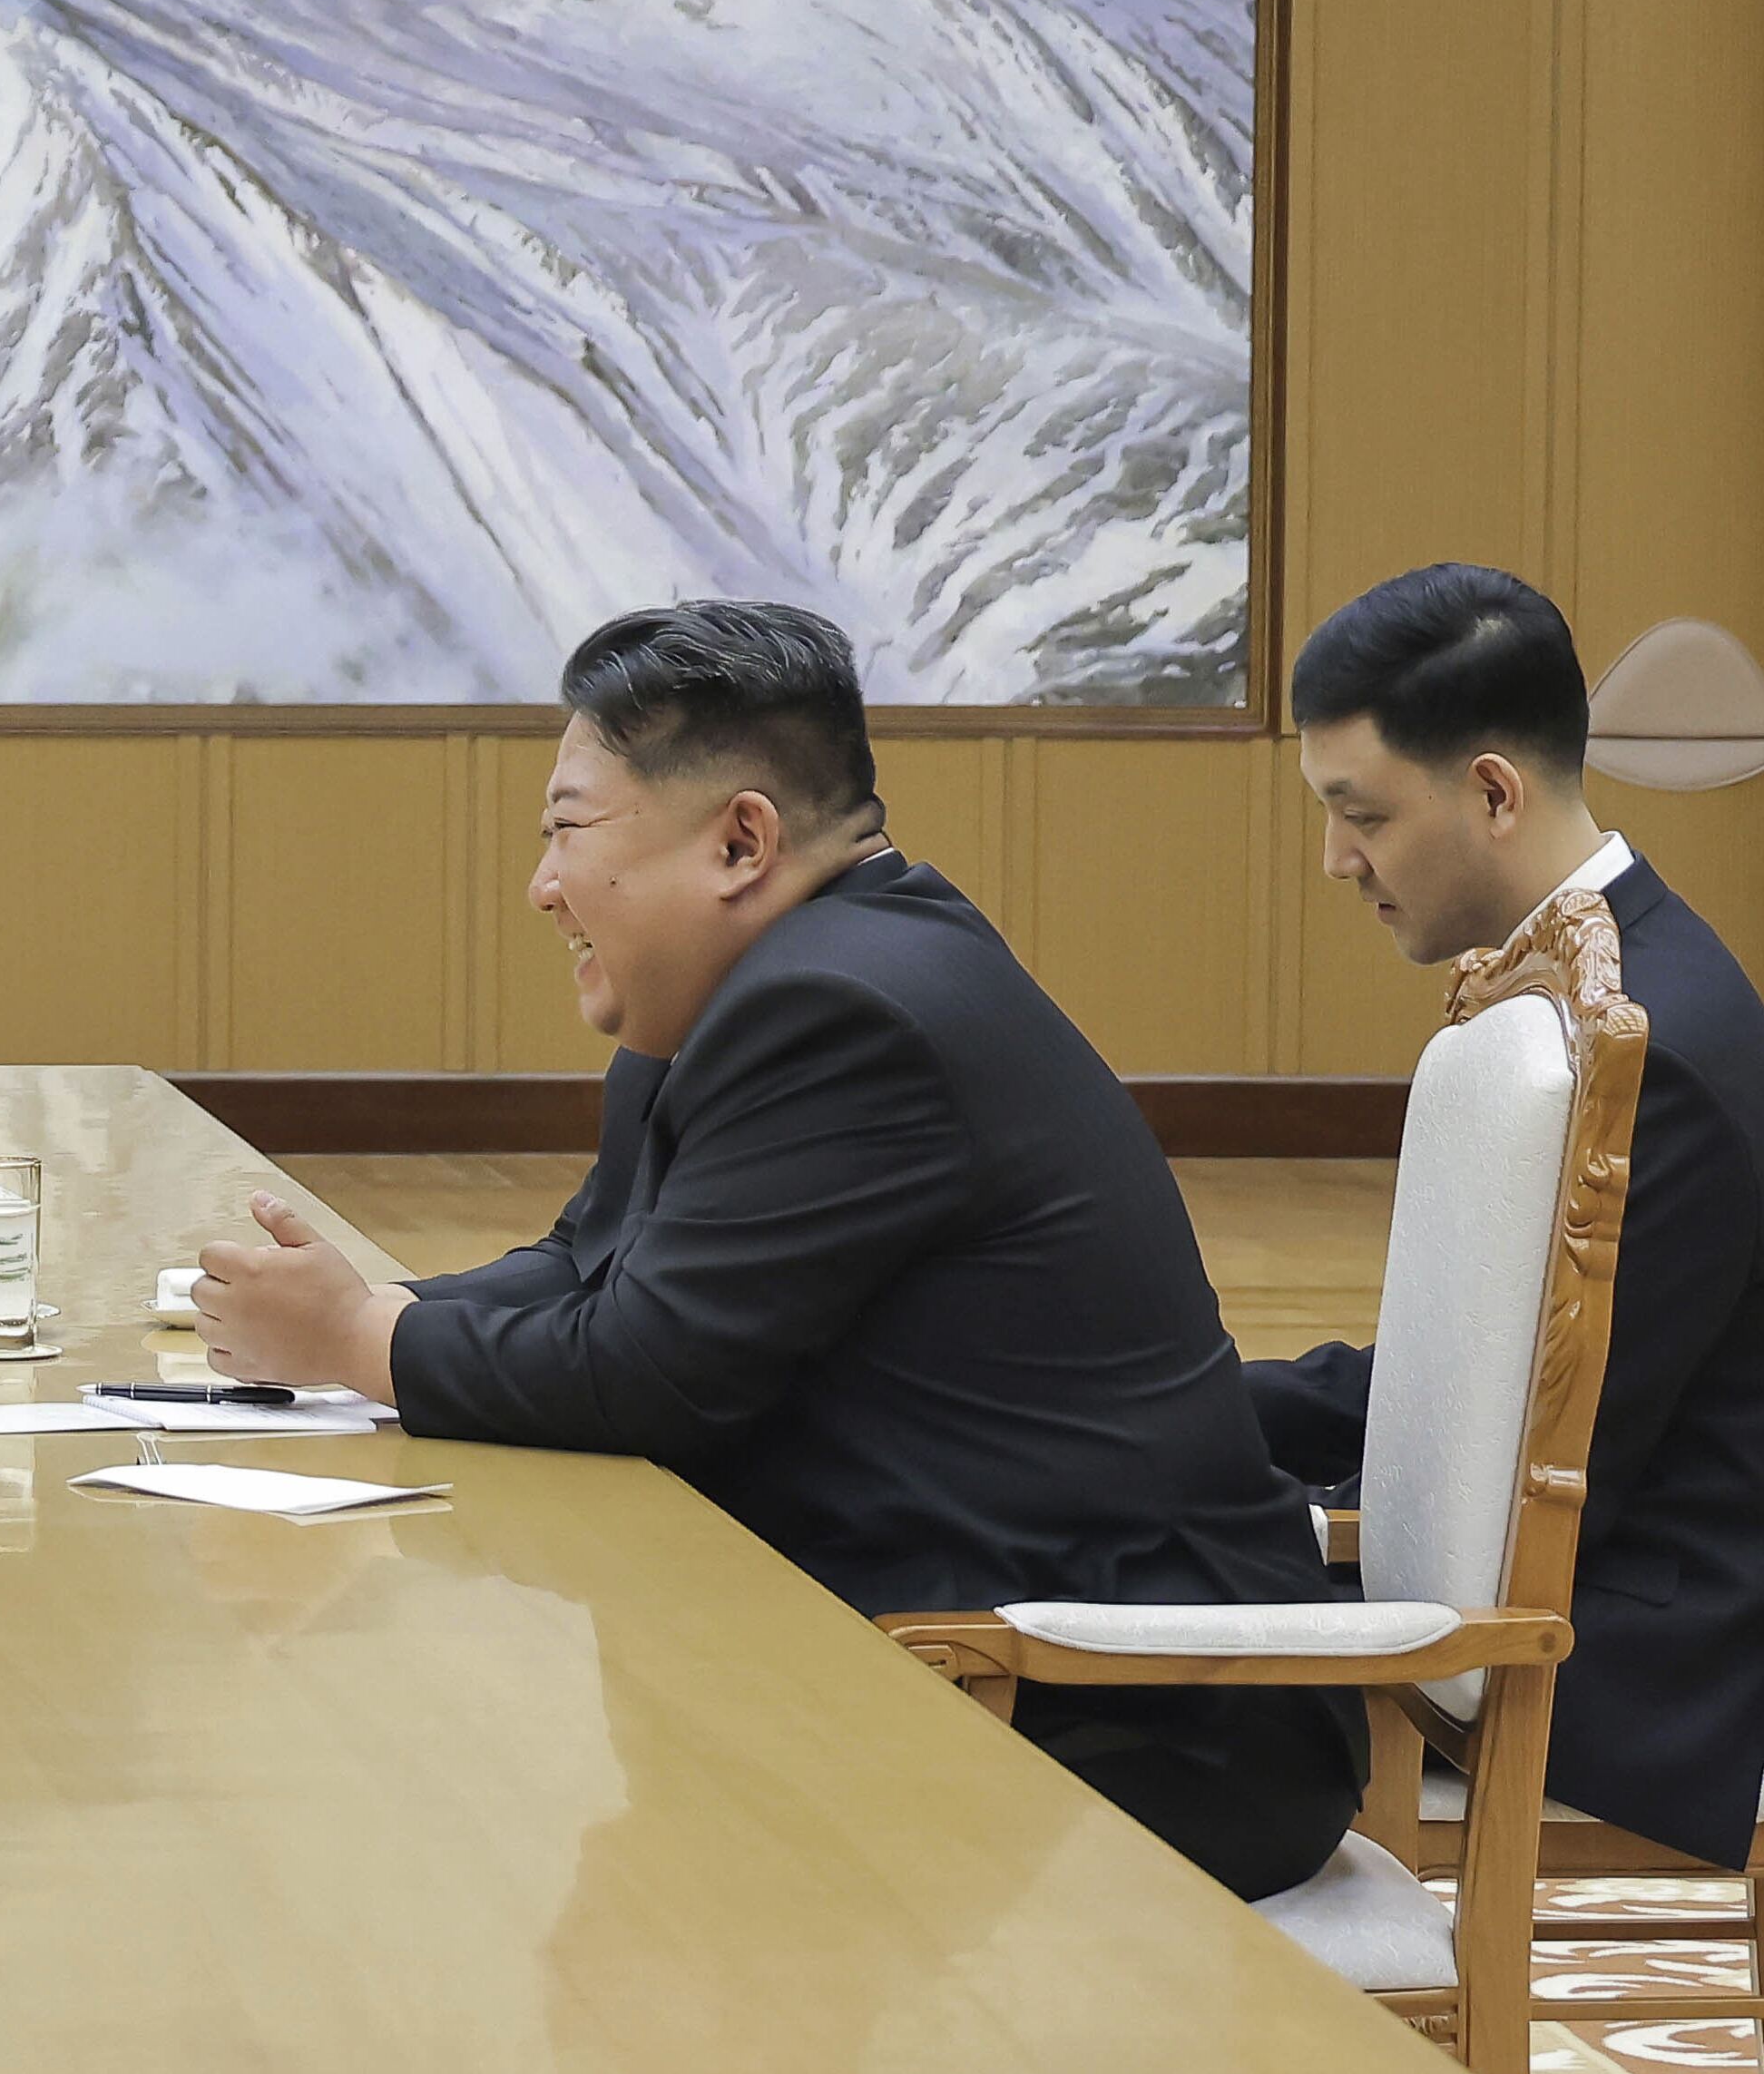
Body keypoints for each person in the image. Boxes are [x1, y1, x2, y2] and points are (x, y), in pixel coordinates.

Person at [193, 597, 1362, 1905]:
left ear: (741, 839)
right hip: (962, 1648)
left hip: (1134, 1702)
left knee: (456, 1809)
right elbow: (588, 1262)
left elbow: (643, 1370)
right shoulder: (759, 988)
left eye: (569, 828)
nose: (543, 885)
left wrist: (360, 1342)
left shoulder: (842, 1007)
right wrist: (365, 1312)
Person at [1250, 564, 1764, 1870]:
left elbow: (1536, 1443)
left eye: (1360, 814)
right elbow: (1463, 1391)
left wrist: (1248, 1498)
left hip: (1662, 1650)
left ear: (1490, 791)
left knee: (1141, 1668)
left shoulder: (1657, 1047)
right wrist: (1193, 1405)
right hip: (1584, 1561)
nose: (1335, 859)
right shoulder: (1593, 982)